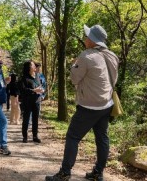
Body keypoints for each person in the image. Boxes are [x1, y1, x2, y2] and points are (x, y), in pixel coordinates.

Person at [46, 25, 119, 181]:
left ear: (92, 40)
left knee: (73, 136)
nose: (85, 39)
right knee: (102, 138)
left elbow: (74, 79)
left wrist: (74, 65)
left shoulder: (86, 56)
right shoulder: (113, 56)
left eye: (87, 36)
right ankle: (98, 173)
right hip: (107, 104)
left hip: (89, 106)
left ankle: (65, 173)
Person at [20, 60, 43, 143]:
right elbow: (23, 90)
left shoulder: (37, 75)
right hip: (27, 101)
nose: (35, 66)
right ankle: (25, 136)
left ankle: (35, 136)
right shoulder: (24, 78)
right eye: (33, 65)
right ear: (29, 67)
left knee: (35, 119)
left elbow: (39, 85)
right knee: (26, 119)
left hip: (36, 100)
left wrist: (41, 90)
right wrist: (33, 90)